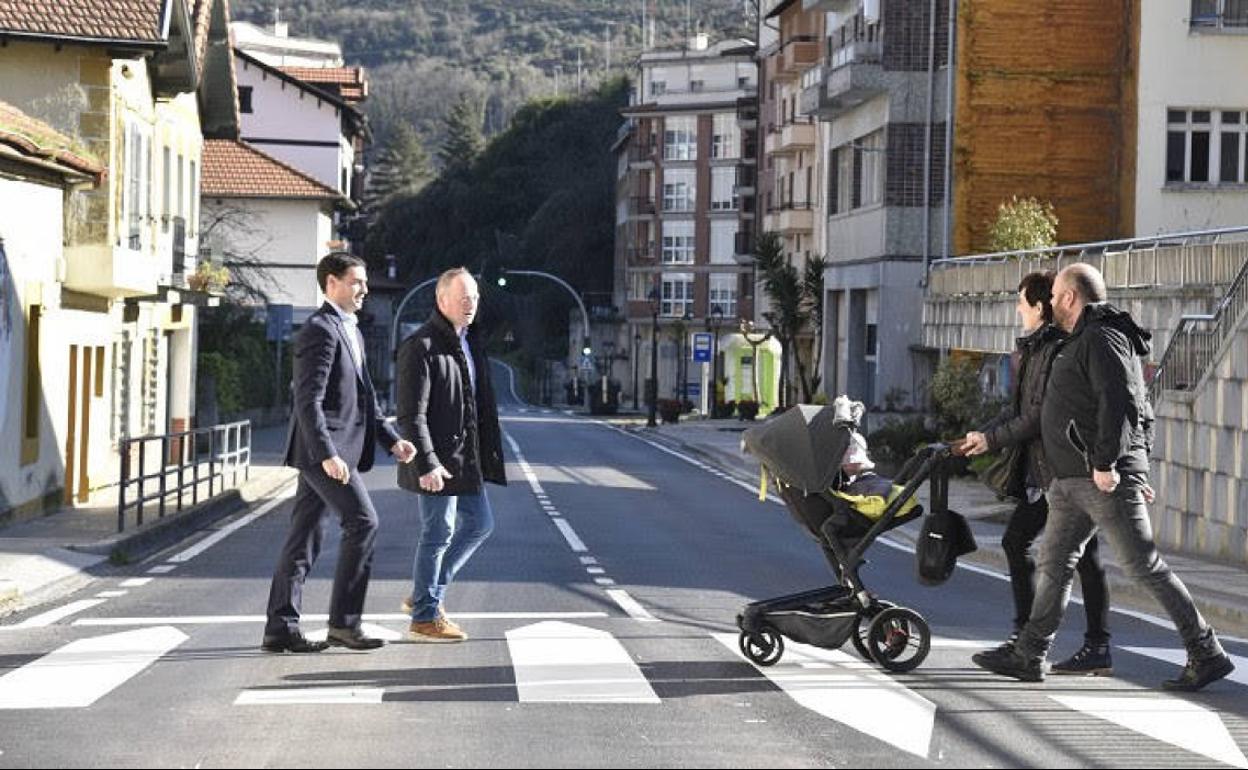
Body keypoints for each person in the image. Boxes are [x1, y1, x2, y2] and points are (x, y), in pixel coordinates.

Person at [972, 263, 1234, 691]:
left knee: (1143, 565)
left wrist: (1112, 464)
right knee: (1054, 563)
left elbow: (1126, 402)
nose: (1051, 302)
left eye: (1056, 295)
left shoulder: (1102, 336)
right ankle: (1030, 653)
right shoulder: (1081, 338)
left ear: (1071, 298)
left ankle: (1205, 651)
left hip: (1099, 479)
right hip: (1071, 482)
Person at [263, 252, 416, 653]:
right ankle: (344, 624)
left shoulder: (351, 329)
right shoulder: (320, 329)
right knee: (363, 522)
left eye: (364, 283)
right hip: (324, 452)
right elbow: (308, 400)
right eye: (356, 282)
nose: (364, 289)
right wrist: (327, 453)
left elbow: (365, 398)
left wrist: (392, 440)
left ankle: (280, 627)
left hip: (336, 450)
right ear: (332, 284)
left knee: (304, 539)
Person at [963, 272, 1114, 675]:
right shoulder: (1036, 348)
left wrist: (992, 440)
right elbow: (1018, 410)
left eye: (1021, 302)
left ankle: (1035, 642)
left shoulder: (1054, 349)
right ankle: (1073, 644)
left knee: (1049, 549)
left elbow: (1035, 418)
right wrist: (983, 435)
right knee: (1065, 553)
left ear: (1041, 306)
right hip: (1051, 470)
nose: (1017, 309)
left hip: (1063, 469)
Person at [396, 267, 507, 642]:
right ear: (441, 300)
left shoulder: (469, 341)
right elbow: (412, 415)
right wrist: (427, 462)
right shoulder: (422, 346)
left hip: (465, 459)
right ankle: (425, 616)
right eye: (462, 297)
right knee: (438, 531)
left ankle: (425, 594)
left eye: (474, 297)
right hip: (437, 462)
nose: (470, 304)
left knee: (480, 524)